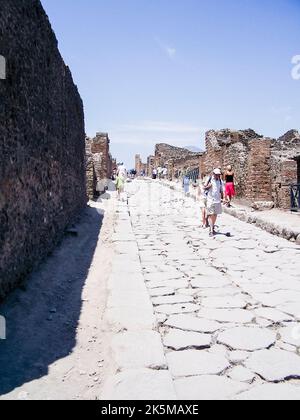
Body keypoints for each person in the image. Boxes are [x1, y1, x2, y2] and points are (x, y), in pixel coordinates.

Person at [205, 168, 224, 237]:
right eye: (216, 175)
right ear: (213, 174)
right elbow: (204, 187)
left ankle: (212, 227)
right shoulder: (209, 179)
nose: (218, 176)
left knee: (215, 215)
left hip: (217, 200)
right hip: (210, 200)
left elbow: (221, 191)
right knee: (210, 214)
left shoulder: (220, 181)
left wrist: (223, 198)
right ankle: (211, 230)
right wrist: (208, 186)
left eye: (219, 175)